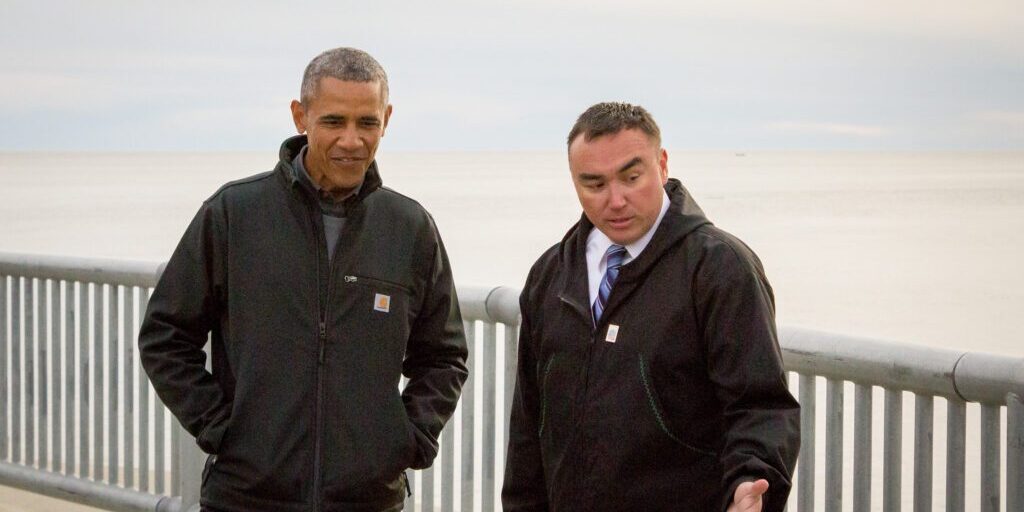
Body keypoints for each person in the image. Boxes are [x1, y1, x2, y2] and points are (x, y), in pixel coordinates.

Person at [139, 47, 468, 512]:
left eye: (367, 123)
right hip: (246, 496)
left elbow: (444, 355)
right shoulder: (234, 214)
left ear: (387, 119)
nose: (351, 140)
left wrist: (407, 438)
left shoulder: (409, 227)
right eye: (334, 121)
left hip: (368, 500)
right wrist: (221, 428)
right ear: (301, 116)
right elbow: (164, 336)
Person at [502, 102, 800, 512]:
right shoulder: (550, 274)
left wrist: (750, 483)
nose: (616, 199)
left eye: (631, 176)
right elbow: (528, 427)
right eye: (594, 184)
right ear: (574, 183)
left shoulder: (720, 268)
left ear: (662, 164)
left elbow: (760, 406)